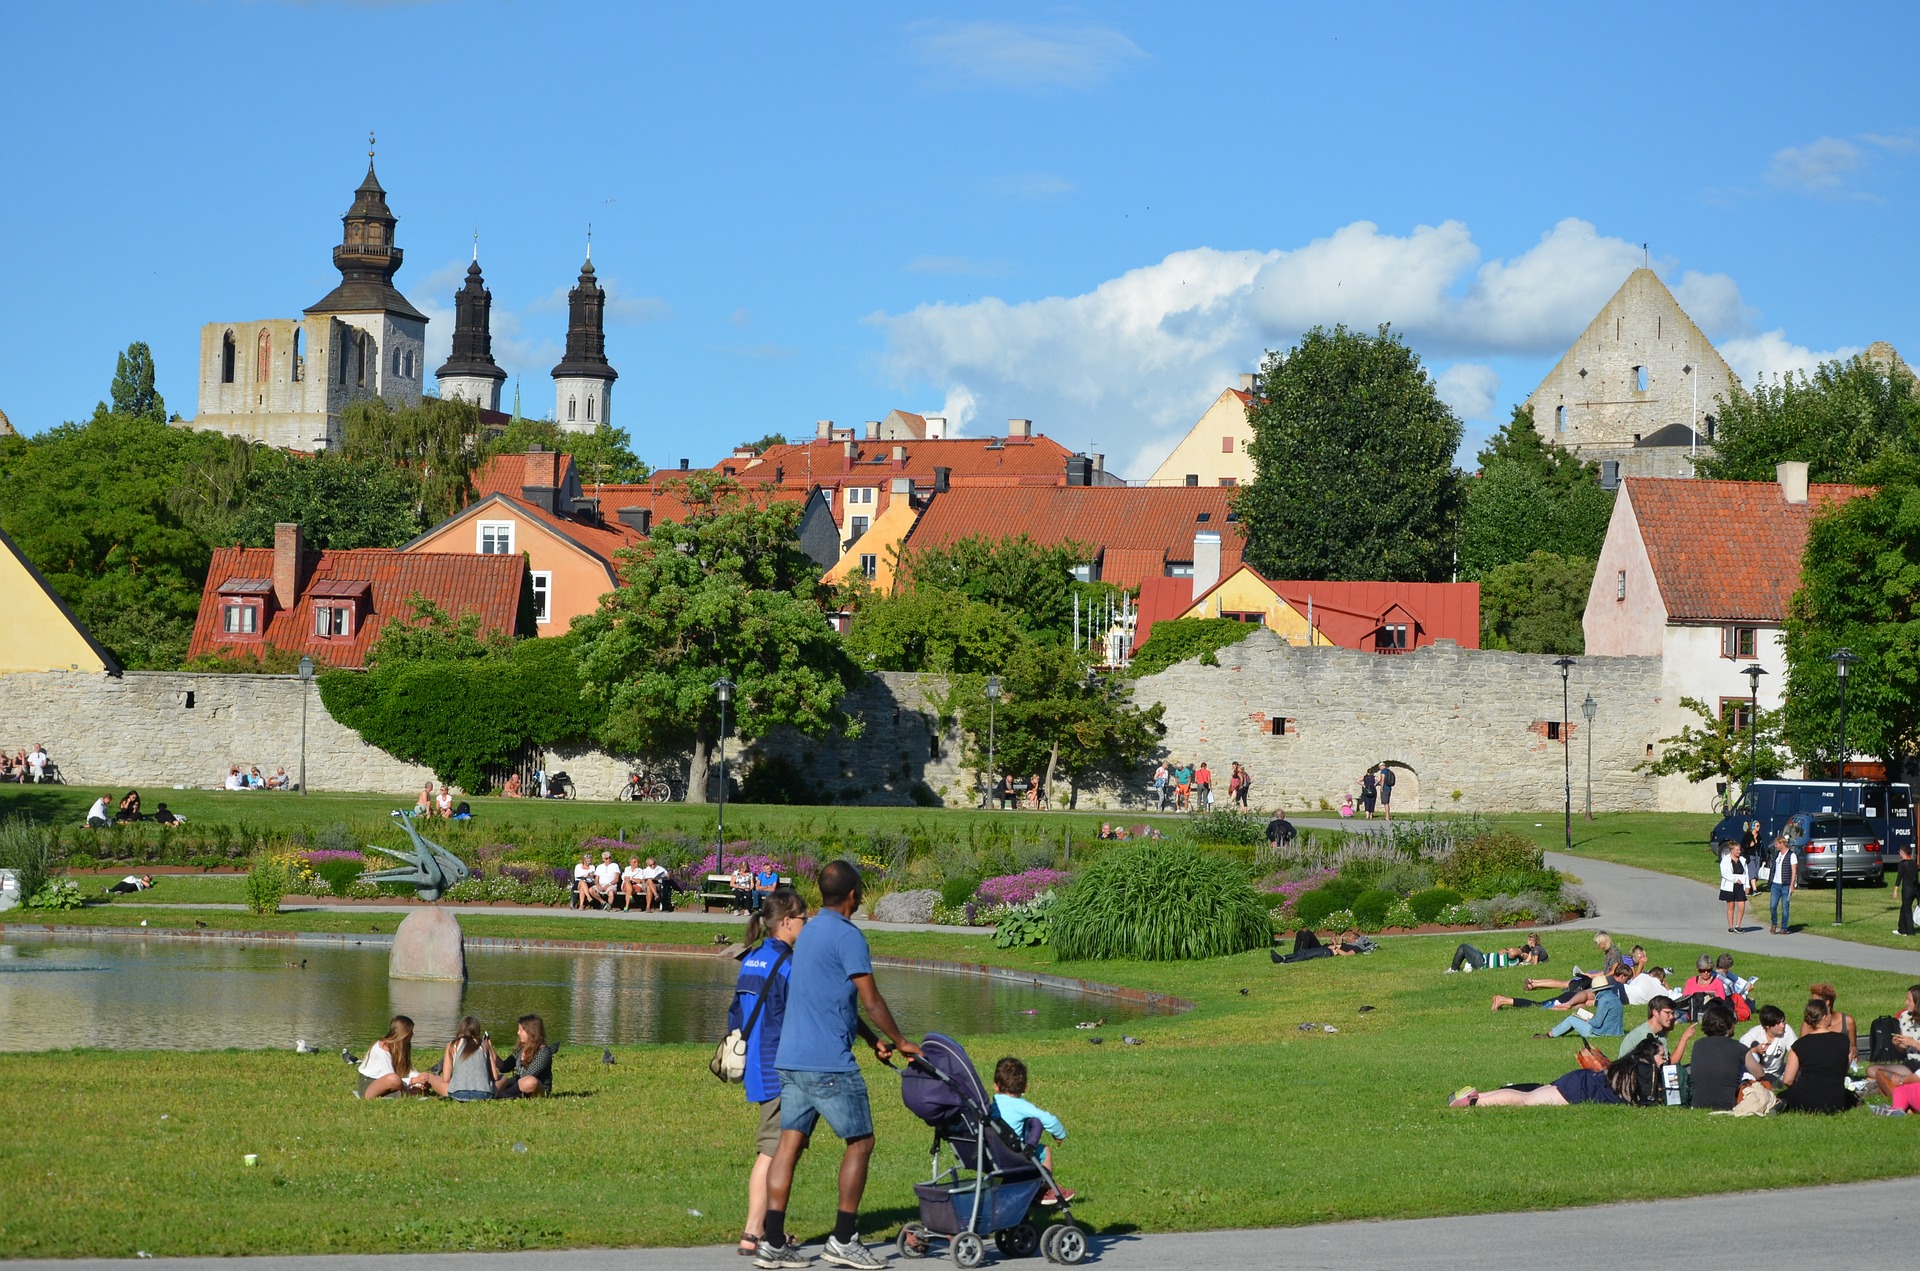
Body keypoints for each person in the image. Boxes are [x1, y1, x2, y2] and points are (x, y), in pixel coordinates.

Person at [757, 860, 920, 1271]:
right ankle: (844, 1239)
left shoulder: (806, 933)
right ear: (853, 893)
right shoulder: (849, 937)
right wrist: (902, 1042)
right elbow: (870, 999)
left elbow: (834, 998)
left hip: (790, 1059)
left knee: (788, 1147)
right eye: (861, 890)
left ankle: (772, 1242)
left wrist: (871, 1041)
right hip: (828, 1063)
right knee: (861, 1142)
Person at [732, 887, 807, 1256]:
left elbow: (735, 1014)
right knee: (772, 1152)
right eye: (804, 918)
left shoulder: (753, 959)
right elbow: (801, 1016)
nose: (807, 924)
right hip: (777, 1067)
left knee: (774, 1149)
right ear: (787, 922)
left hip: (754, 1063)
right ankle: (754, 1232)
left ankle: (762, 1228)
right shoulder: (789, 964)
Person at [1450, 1037, 1662, 1108]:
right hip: (1578, 1088)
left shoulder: (1630, 1066)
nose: (1665, 1060)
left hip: (1580, 1081)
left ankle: (1476, 1096)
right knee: (1527, 1100)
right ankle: (1473, 1103)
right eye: (1662, 1056)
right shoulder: (1642, 1072)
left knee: (1529, 1095)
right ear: (1649, 1057)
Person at [992, 1057, 1073, 1205]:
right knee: (1045, 1150)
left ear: (996, 1086)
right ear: (1025, 1087)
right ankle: (1046, 1189)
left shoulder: (992, 1105)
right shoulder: (1021, 1105)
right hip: (1014, 1154)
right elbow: (1047, 1119)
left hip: (994, 1153)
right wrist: (1059, 1134)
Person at [1780, 998, 1858, 1113]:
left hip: (1806, 1101)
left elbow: (1788, 1080)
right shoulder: (1843, 1041)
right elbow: (1843, 1069)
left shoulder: (1799, 1045)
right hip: (1836, 1100)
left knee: (1781, 1096)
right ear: (1825, 1017)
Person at [1540, 961, 1632, 1039]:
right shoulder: (1614, 997)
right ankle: (1556, 1034)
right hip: (1616, 1033)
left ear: (1597, 990)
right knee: (1576, 1018)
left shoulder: (1604, 1000)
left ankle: (1549, 1035)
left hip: (1600, 1033)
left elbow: (1597, 1023)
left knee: (1571, 1019)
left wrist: (1587, 1020)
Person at [413, 1016, 497, 1101]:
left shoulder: (452, 1045)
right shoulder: (485, 1044)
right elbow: (495, 1077)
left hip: (458, 1094)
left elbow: (446, 1079)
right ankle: (503, 1092)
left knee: (431, 1077)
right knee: (503, 1078)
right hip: (485, 1094)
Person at [1866, 984, 1920, 1108]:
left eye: (1909, 1000)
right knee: (1872, 1070)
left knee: (1883, 1077)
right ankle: (1907, 1082)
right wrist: (1898, 1044)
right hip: (1911, 1064)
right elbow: (1902, 1051)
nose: (1906, 1002)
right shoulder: (1905, 1017)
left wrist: (1914, 1043)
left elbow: (1913, 1044)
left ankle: (1903, 1084)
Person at [1687, 1002, 1748, 1110]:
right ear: (1728, 1024)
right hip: (1728, 1104)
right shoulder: (1738, 1047)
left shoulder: (1698, 1044)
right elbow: (1759, 1072)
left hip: (1697, 1103)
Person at [1618, 996, 1694, 1064]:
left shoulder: (1660, 1033)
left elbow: (1668, 1063)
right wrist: (1684, 1039)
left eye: (1672, 1013)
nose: (1671, 1017)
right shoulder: (1644, 1035)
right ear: (1655, 1012)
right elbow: (1670, 1063)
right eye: (1667, 1013)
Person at [493, 1014, 554, 1098]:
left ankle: (504, 1094)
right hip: (519, 1084)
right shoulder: (521, 1049)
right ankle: (505, 1093)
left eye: (521, 1030)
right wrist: (489, 1049)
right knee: (500, 1079)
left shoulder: (543, 1052)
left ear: (531, 1031)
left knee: (530, 1081)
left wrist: (508, 1082)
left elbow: (528, 1075)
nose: (518, 1033)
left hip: (536, 1089)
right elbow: (504, 1067)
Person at [356, 1015, 418, 1099]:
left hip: (388, 1082)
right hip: (370, 1084)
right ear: (404, 1033)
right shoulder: (382, 1048)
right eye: (411, 1031)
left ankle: (406, 1092)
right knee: (394, 1079)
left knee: (420, 1083)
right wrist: (413, 1081)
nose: (412, 1034)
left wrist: (420, 1079)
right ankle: (407, 1092)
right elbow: (390, 1077)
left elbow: (408, 1068)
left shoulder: (402, 1046)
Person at [1740, 1004, 1798, 1086]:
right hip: (1759, 1075)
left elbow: (1797, 1051)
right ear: (1767, 1026)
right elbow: (1737, 1054)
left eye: (1783, 1021)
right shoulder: (1754, 1034)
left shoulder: (1786, 1030)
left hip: (1778, 1074)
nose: (1782, 1025)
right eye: (1778, 1023)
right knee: (1753, 1048)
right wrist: (1755, 1050)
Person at [1449, 933, 1547, 973]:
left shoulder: (1515, 958)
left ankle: (1454, 969)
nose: (1518, 948)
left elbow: (1513, 952)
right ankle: (1462, 966)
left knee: (1463, 947)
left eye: (1520, 948)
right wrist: (1505, 949)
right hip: (1482, 957)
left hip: (1482, 962)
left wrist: (1521, 953)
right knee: (1470, 948)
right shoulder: (1513, 958)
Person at [1808, 982, 1858, 1060]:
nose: (1811, 1005)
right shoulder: (1810, 1021)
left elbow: (1853, 1047)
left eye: (1815, 1001)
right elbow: (1804, 1048)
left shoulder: (1848, 1021)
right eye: (1810, 1001)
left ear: (1827, 1003)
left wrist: (1853, 1054)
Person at [1768, 832, 1799, 934]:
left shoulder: (1791, 855)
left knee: (1785, 907)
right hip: (1776, 884)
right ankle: (1774, 923)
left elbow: (1794, 871)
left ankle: (1784, 927)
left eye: (1777, 844)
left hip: (1786, 884)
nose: (1775, 846)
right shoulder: (1777, 855)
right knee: (1773, 906)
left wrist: (1792, 884)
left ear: (1782, 844)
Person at [1719, 839, 1750, 932]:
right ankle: (1731, 926)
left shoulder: (1742, 860)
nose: (1739, 852)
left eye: (1739, 850)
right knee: (1731, 906)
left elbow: (1746, 873)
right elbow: (1725, 873)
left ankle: (1738, 925)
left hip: (1740, 886)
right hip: (1730, 886)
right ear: (1731, 851)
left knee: (1742, 906)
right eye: (1737, 850)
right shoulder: (1726, 860)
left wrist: (1747, 885)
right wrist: (1736, 879)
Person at [1897, 845, 1919, 938]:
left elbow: (1899, 877)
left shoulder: (1902, 864)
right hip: (1915, 889)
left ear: (1902, 853)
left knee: (1907, 910)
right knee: (1904, 908)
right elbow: (1915, 878)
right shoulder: (1914, 863)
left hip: (1907, 889)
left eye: (1900, 853)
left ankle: (1909, 931)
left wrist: (1895, 889)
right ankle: (1901, 929)